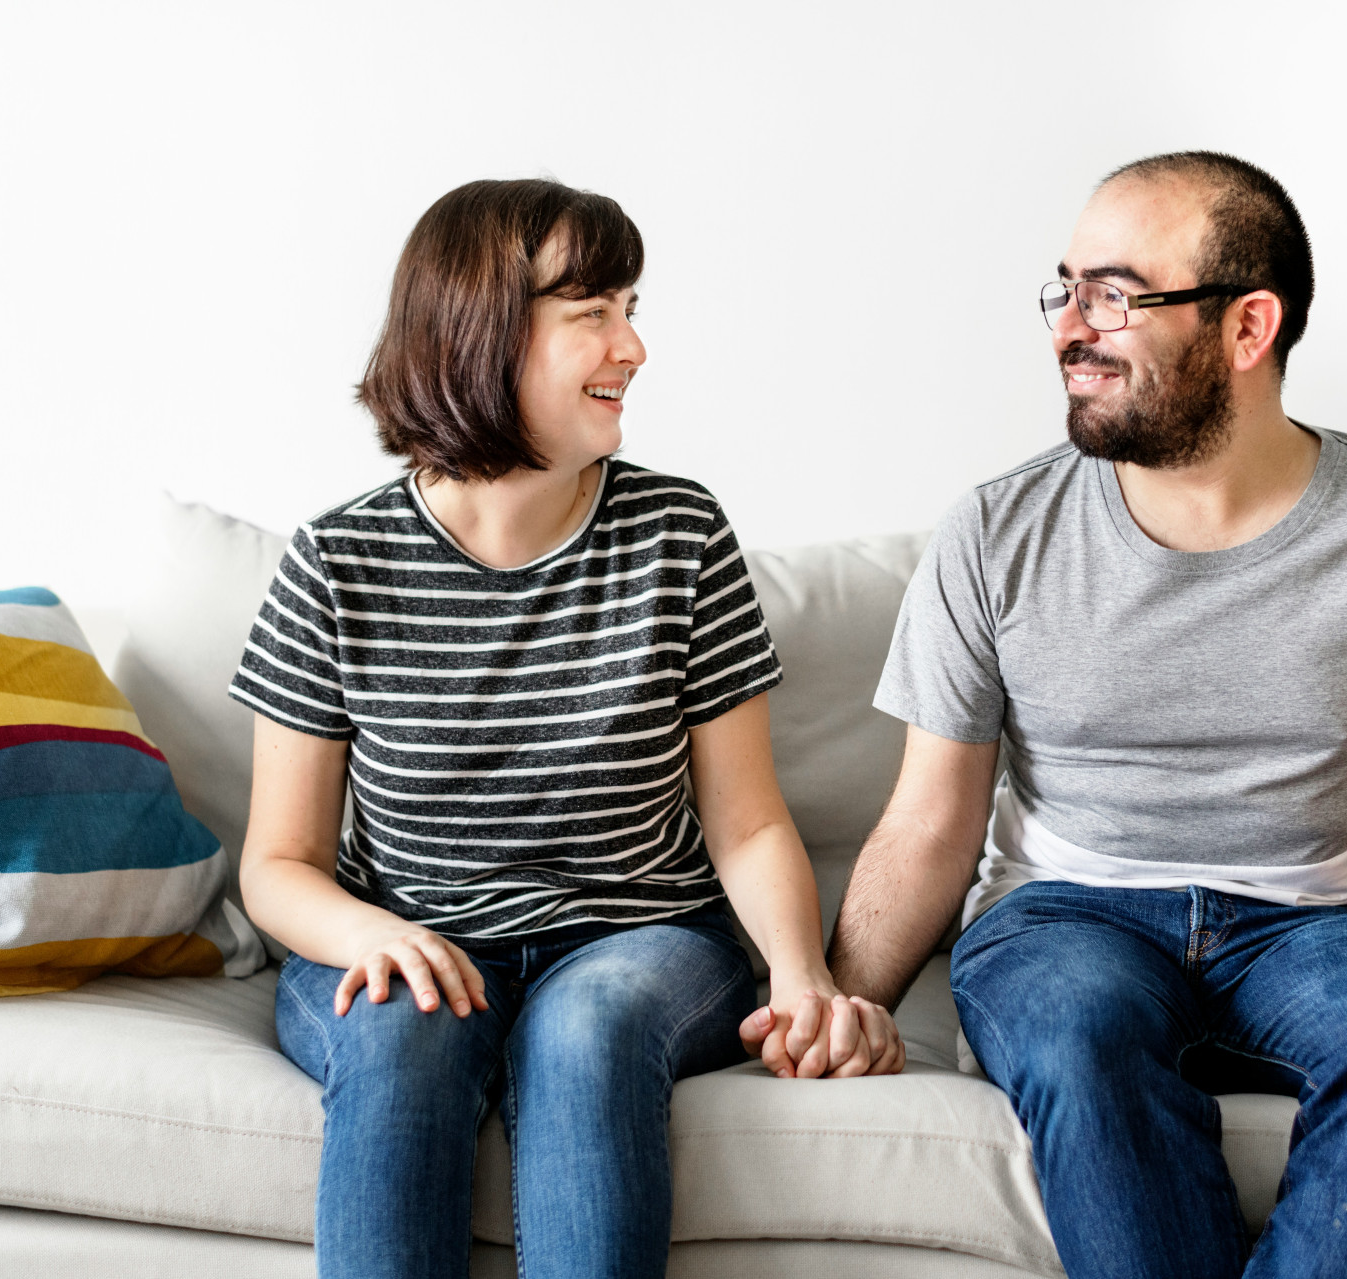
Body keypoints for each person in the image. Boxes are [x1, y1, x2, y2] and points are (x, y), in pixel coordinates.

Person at [773, 153, 1347, 1278]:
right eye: (1065, 290)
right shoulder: (995, 533)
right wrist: (845, 999)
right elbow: (929, 821)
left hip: (1315, 923)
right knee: (1081, 1038)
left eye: (1114, 295)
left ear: (1250, 326)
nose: (1069, 330)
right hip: (1065, 920)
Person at [232, 178, 902, 1279]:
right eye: (593, 311)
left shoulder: (679, 533)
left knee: (589, 1025)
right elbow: (279, 863)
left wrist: (801, 974)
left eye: (630, 309)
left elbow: (745, 823)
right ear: (479, 328)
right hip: (409, 930)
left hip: (640, 938)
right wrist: (371, 938)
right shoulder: (335, 563)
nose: (632, 347)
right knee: (405, 1027)